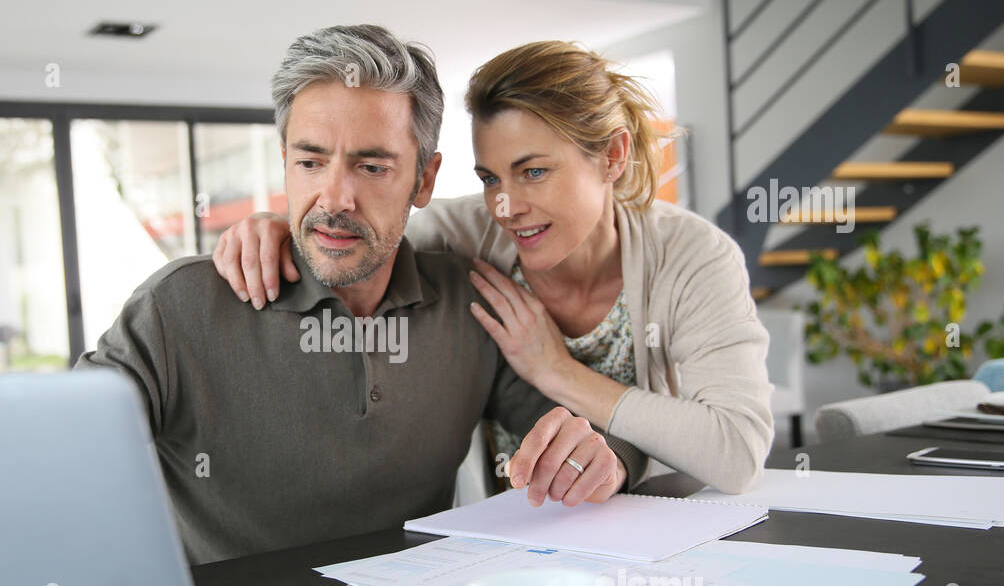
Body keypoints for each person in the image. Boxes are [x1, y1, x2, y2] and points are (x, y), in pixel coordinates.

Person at [75, 24, 644, 565]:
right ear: (285, 165)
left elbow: (595, 435)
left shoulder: (468, 304)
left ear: (424, 180)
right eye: (310, 161)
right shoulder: (181, 308)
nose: (335, 197)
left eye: (371, 166)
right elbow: (52, 454)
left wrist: (601, 459)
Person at [212, 40, 773, 493]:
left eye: (533, 172)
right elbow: (357, 231)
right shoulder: (464, 238)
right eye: (490, 178)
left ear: (613, 156)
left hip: (658, 526)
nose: (506, 208)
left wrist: (557, 372)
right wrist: (275, 225)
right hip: (512, 530)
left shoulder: (692, 257)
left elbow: (736, 452)